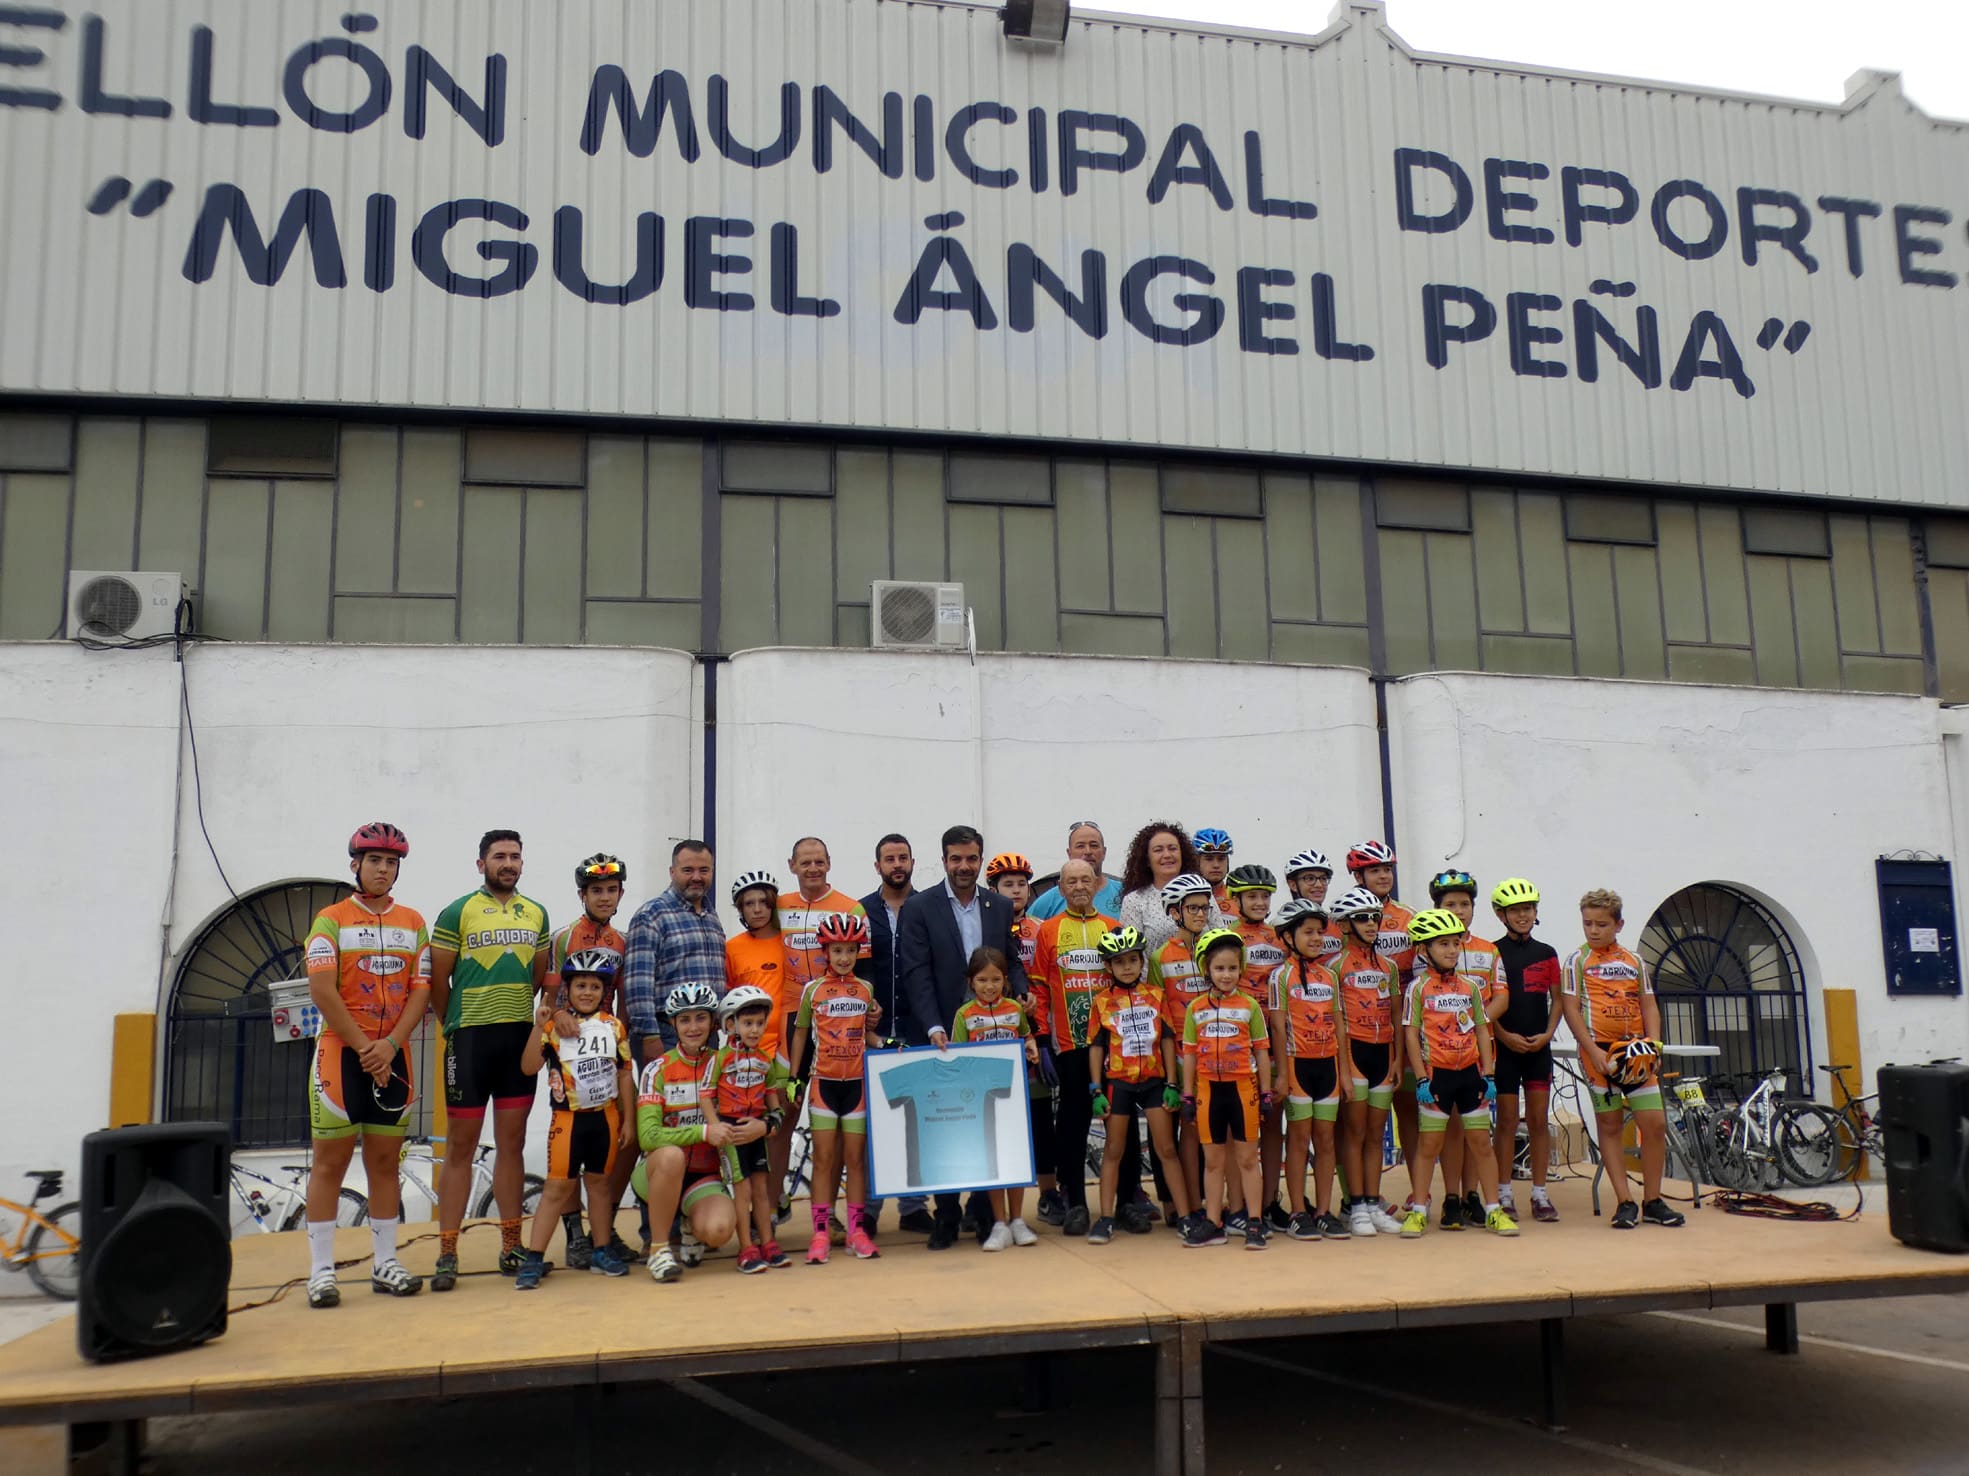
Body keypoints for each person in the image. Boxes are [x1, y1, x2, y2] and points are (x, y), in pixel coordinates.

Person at [301, 821, 430, 1308]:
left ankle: (386, 1262)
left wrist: (390, 1045)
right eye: (375, 860)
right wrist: (365, 1048)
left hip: (393, 1055)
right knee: (330, 1163)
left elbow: (421, 991)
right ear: (355, 864)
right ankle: (321, 1271)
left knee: (384, 1163)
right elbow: (321, 990)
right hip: (341, 1053)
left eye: (391, 862)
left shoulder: (413, 922)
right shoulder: (329, 920)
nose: (383, 869)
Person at [896, 825, 1031, 1248]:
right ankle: (947, 1216)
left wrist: (1021, 988)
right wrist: (934, 1026)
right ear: (944, 860)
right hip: (942, 1033)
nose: (963, 866)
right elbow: (915, 972)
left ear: (980, 860)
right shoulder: (919, 907)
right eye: (956, 858)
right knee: (947, 1127)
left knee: (989, 1124)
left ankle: (985, 1214)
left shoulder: (998, 905)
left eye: (971, 858)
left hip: (992, 1035)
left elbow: (1010, 960)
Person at [429, 830, 551, 1291]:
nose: (509, 863)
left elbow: (537, 977)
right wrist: (454, 1024)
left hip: (517, 1037)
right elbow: (439, 980)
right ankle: (447, 1252)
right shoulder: (457, 911)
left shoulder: (536, 912)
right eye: (500, 856)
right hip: (469, 1040)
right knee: (460, 1147)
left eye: (515, 856)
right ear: (481, 864)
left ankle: (511, 1247)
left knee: (511, 1144)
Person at [1561, 889, 1686, 1230]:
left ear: (1619, 925)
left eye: (1601, 924)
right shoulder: (1576, 961)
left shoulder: (1635, 961)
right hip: (1599, 1053)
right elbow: (1571, 1010)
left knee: (1654, 1124)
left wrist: (1655, 1046)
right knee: (1610, 1125)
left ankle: (1653, 1201)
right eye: (1587, 923)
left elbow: (1649, 1004)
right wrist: (1594, 1051)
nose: (1593, 930)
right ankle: (1624, 1201)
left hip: (1637, 1052)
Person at [514, 950, 636, 1288]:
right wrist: (539, 1025)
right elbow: (528, 1067)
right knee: (557, 1187)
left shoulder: (614, 1026)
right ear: (567, 989)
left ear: (604, 991)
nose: (587, 992)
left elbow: (625, 1073)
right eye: (580, 985)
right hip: (568, 1120)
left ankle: (601, 1250)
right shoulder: (554, 1026)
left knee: (599, 1184)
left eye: (595, 987)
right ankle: (533, 1258)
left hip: (605, 1118)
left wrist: (628, 1120)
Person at [1398, 908, 1519, 1237]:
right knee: (1429, 1146)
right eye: (1443, 944)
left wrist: (1489, 1074)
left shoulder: (1470, 987)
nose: (1452, 950)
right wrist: (1421, 1078)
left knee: (1481, 1144)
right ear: (1424, 950)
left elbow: (1481, 1030)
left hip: (1470, 1074)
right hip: (1436, 1076)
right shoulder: (1417, 989)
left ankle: (1494, 1211)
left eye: (1455, 943)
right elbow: (1411, 1035)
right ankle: (1418, 1210)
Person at [541, 852, 632, 1269]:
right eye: (596, 890)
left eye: (611, 890)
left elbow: (622, 999)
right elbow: (548, 996)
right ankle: (574, 1235)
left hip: (605, 1048)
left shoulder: (622, 941)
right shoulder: (563, 937)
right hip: (565, 1049)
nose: (604, 897)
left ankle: (602, 1231)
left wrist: (624, 1048)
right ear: (582, 894)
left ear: (620, 894)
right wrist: (557, 1014)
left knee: (607, 1140)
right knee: (570, 1147)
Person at [1028, 859, 1124, 1236]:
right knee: (1072, 1125)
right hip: (1069, 1045)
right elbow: (1038, 988)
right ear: (1061, 889)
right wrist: (1041, 1040)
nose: (1080, 886)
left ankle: (1124, 1202)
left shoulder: (1112, 927)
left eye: (1086, 880)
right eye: (1072, 881)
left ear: (1096, 885)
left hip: (1113, 1045)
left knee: (1119, 1122)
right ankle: (1076, 1204)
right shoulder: (1049, 931)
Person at [1087, 927, 1191, 1243]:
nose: (1127, 967)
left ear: (1142, 962)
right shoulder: (1102, 1002)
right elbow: (1096, 1047)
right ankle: (1106, 1218)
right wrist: (1095, 1089)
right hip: (1118, 1082)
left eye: (1133, 960)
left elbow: (1168, 1039)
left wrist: (1172, 1082)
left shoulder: (1156, 996)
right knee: (1114, 1150)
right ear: (1108, 966)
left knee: (1167, 1149)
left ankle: (1186, 1217)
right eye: (1119, 962)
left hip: (1154, 1082)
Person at [789, 913, 882, 1263]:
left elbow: (868, 1034)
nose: (844, 957)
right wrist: (794, 1077)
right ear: (825, 952)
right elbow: (800, 1034)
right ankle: (820, 1233)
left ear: (858, 952)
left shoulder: (866, 989)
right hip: (822, 1084)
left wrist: (886, 1043)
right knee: (825, 1160)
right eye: (837, 950)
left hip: (857, 1085)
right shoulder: (812, 990)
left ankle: (857, 1231)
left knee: (855, 1161)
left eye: (850, 950)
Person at [636, 981, 740, 1283]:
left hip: (703, 1176)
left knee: (719, 1231)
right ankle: (659, 1250)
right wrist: (704, 1132)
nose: (693, 1027)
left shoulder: (724, 1065)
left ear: (712, 1021)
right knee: (671, 1155)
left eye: (700, 1018)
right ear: (673, 1024)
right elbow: (648, 1137)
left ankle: (690, 1224)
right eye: (684, 1019)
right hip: (659, 1170)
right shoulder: (657, 1069)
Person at [1179, 928, 1273, 1251]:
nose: (1226, 975)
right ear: (1207, 969)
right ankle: (1213, 1222)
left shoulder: (1249, 1006)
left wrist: (1266, 1092)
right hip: (1208, 1090)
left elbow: (1262, 1051)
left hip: (1242, 1089)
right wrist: (1187, 1095)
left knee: (1247, 1159)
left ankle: (1255, 1221)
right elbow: (1189, 1054)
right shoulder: (1195, 1008)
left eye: (1233, 968)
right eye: (1219, 968)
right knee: (1213, 1161)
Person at [1425, 868, 1507, 1230]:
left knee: (1476, 1130)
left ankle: (1473, 1194)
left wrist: (1474, 1020)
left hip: (1478, 1052)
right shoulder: (1431, 946)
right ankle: (1451, 1196)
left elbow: (1502, 996)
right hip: (1441, 1054)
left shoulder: (1489, 950)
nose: (1459, 910)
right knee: (1451, 1128)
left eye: (1464, 904)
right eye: (1450, 905)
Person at [1268, 898, 1351, 1241]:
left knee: (1326, 1140)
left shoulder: (1330, 976)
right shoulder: (1280, 976)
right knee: (1299, 1139)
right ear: (1288, 937)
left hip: (1328, 1065)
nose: (1317, 938)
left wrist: (1345, 1073)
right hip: (1296, 1065)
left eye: (1320, 932)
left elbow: (1340, 1026)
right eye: (1308, 932)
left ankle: (1323, 1210)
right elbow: (1277, 1028)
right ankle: (1299, 1211)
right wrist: (1282, 1075)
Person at [986, 852, 1061, 1228]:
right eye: (1007, 885)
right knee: (995, 1118)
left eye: (1021, 884)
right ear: (993, 890)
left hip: (1038, 1032)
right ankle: (988, 1204)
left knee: (1040, 1117)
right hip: (996, 1033)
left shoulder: (1041, 928)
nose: (1015, 891)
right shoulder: (988, 927)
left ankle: (1049, 1193)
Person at [950, 946, 1042, 1250]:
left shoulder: (1015, 1009)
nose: (989, 987)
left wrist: (1030, 1045)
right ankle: (999, 1223)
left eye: (996, 980)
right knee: (993, 1160)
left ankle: (1017, 1220)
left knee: (1016, 1158)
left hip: (1014, 1095)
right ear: (970, 982)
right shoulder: (964, 1015)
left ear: (1005, 980)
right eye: (982, 980)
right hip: (981, 1100)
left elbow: (1026, 1035)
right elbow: (957, 1058)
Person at [1330, 887, 1406, 1237]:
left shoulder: (1389, 966)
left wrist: (1398, 1059)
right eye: (1362, 918)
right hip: (1354, 1053)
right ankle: (1355, 1205)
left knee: (1376, 1134)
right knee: (1355, 1132)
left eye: (1376, 917)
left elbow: (1397, 1015)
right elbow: (1336, 1021)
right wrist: (1344, 1068)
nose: (1372, 924)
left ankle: (1373, 1202)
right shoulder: (1335, 966)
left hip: (1383, 1054)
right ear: (1345, 925)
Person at [863, 836, 930, 1234]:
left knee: (915, 1120)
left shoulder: (927, 907)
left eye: (903, 857)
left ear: (912, 862)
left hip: (917, 1027)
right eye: (889, 859)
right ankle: (868, 1211)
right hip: (873, 1033)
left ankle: (913, 1207)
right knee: (873, 1124)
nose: (897, 864)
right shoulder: (861, 911)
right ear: (878, 866)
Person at [702, 984, 793, 1273]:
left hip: (756, 1130)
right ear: (731, 1024)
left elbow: (775, 1105)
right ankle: (746, 1248)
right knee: (742, 1192)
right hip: (732, 1131)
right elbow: (706, 1096)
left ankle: (768, 1243)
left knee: (762, 1191)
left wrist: (768, 1125)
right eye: (748, 1023)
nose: (754, 1030)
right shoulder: (720, 1058)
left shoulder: (766, 1061)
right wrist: (716, 1128)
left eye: (760, 1023)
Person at [724, 870, 797, 1222]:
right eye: (748, 904)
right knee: (750, 1134)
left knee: (779, 1132)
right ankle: (764, 1203)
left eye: (763, 902)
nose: (756, 909)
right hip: (748, 1055)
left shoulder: (790, 942)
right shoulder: (733, 948)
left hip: (786, 1052)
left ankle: (769, 1205)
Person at [1490, 877, 1563, 1223]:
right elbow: (1486, 1003)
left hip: (1538, 1048)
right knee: (1505, 1121)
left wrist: (1548, 1034)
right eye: (1515, 910)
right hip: (1505, 1049)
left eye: (1528, 909)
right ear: (1501, 915)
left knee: (1538, 1120)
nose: (1523, 916)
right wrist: (1502, 1036)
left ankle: (1540, 1192)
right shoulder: (1492, 952)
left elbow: (1558, 999)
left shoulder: (1547, 953)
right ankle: (1504, 1192)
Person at [1347, 841, 1420, 1185]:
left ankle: (1419, 1192)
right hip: (1362, 1027)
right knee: (1357, 1123)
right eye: (1374, 870)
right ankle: (1358, 1196)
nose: (1383, 876)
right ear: (1357, 876)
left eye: (1387, 869)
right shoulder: (1343, 916)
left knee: (1408, 1110)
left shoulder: (1409, 917)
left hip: (1403, 1023)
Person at [1223, 865, 1288, 1231]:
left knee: (1274, 1126)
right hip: (1238, 1043)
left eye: (1265, 896)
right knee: (1237, 1132)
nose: (1260, 902)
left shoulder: (1280, 937)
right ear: (1236, 900)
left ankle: (1269, 1200)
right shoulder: (1228, 938)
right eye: (1252, 896)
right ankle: (1238, 1205)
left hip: (1276, 1041)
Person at [622, 840, 725, 1059]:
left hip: (707, 1033)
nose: (696, 877)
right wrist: (649, 1036)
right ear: (672, 872)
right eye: (688, 870)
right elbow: (638, 984)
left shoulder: (711, 917)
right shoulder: (651, 915)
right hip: (665, 1033)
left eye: (704, 870)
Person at [1154, 873, 1215, 1220]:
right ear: (1175, 912)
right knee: (1184, 1133)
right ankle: (1188, 1205)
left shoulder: (1216, 948)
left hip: (1215, 1052)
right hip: (1178, 1055)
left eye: (1205, 908)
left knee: (1210, 1132)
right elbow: (1159, 1014)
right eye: (1192, 908)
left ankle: (1210, 1202)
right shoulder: (1160, 957)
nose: (1200, 914)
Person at [779, 837, 871, 997]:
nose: (813, 869)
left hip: (833, 1001)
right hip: (788, 1002)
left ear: (829, 863)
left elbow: (864, 967)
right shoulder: (780, 906)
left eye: (819, 862)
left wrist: (867, 1000)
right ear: (792, 865)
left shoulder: (853, 908)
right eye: (805, 863)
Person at [1116, 821, 1214, 949]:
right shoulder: (1134, 901)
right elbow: (1132, 953)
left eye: (1172, 848)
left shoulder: (1202, 890)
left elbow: (1221, 937)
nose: (1167, 855)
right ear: (1147, 860)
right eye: (1158, 850)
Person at [1026, 821, 1124, 920]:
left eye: (1094, 845)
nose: (1088, 851)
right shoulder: (1049, 901)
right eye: (1080, 846)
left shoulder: (1124, 894)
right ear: (1069, 853)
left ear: (1104, 852)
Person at [1285, 850, 1343, 968]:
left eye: (1323, 878)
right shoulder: (1282, 925)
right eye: (1310, 878)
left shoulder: (1337, 923)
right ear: (1293, 885)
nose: (1319, 885)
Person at [1192, 828, 1235, 914]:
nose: (1216, 865)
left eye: (1221, 859)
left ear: (1227, 863)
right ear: (1196, 862)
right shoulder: (1184, 897)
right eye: (1209, 859)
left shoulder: (1238, 898)